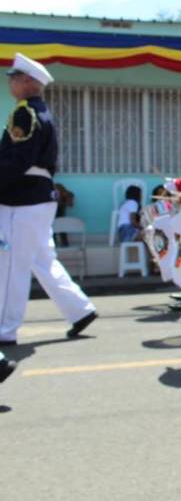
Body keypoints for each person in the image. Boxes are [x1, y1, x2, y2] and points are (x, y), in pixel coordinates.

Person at [0, 53, 98, 344]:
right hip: (38, 199)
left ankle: (4, 330)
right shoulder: (39, 113)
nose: (11, 84)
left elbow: (17, 159)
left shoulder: (25, 113)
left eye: (15, 79)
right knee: (42, 259)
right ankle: (79, 309)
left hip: (22, 199)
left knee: (10, 265)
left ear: (29, 81)